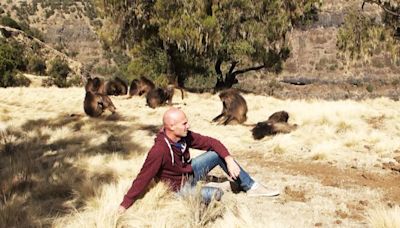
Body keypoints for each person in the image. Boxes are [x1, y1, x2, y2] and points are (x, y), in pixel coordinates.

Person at [118, 107, 279, 213]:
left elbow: (212, 142)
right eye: (184, 123)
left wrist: (229, 159)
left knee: (216, 154)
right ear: (172, 126)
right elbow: (143, 177)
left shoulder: (184, 136)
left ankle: (251, 186)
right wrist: (124, 205)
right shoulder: (159, 150)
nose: (188, 126)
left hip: (189, 174)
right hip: (177, 189)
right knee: (215, 194)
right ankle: (221, 186)